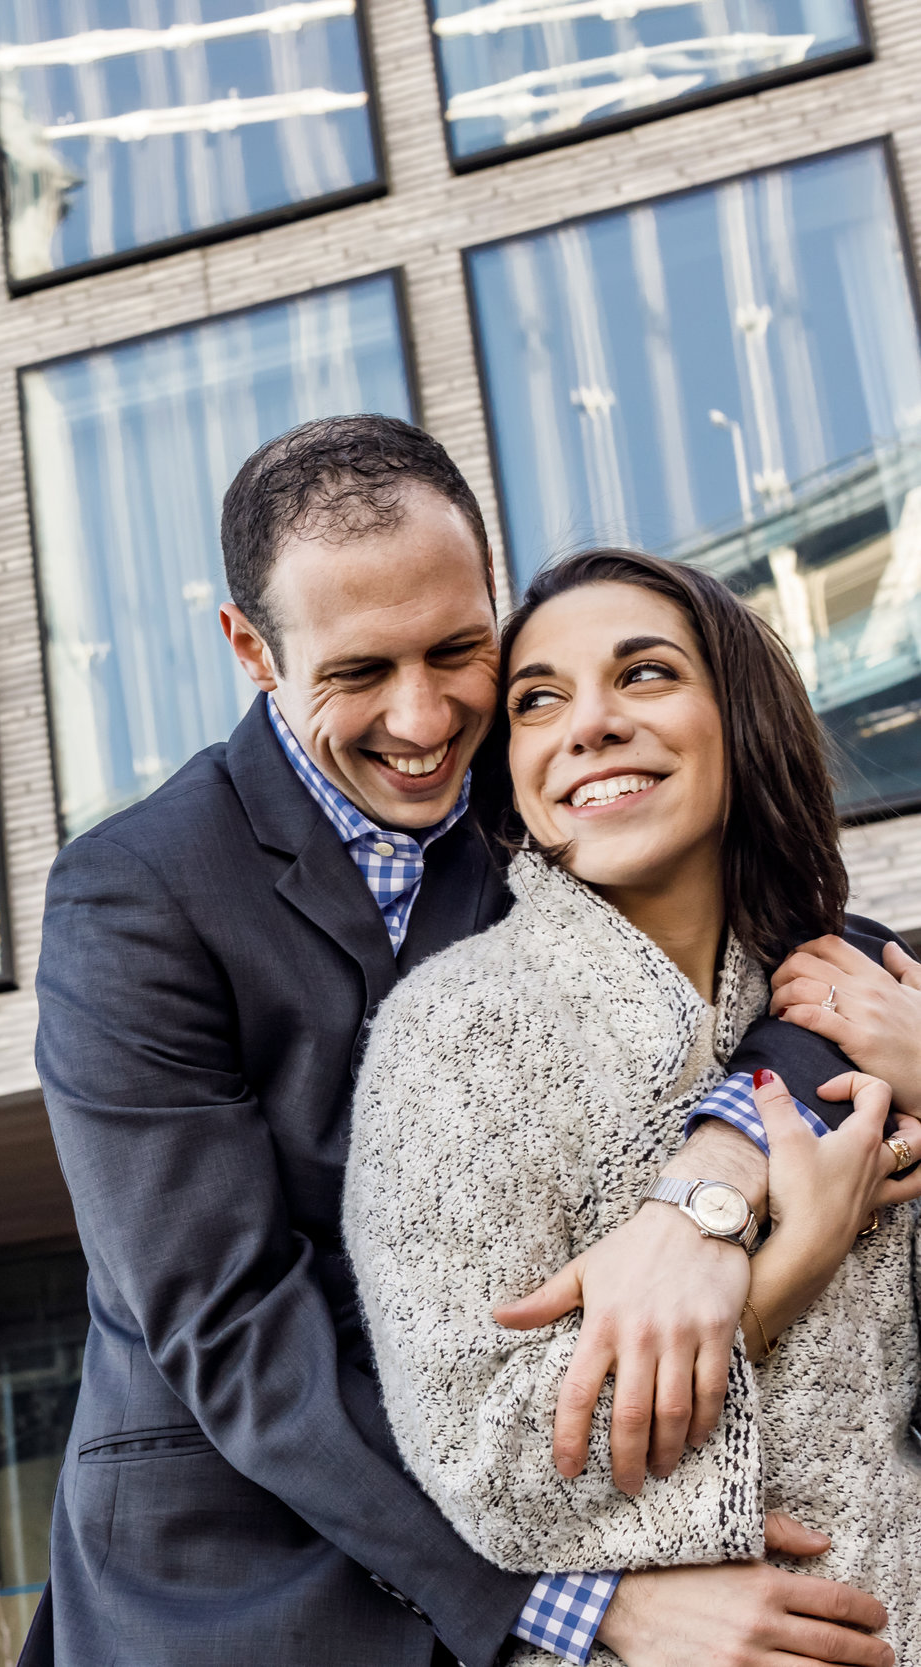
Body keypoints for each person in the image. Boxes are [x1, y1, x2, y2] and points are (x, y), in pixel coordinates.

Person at [30, 416, 920, 1667]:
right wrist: (582, 1599)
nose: (422, 714)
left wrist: (707, 1183)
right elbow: (230, 1321)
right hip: (250, 1581)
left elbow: (805, 962)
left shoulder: (547, 786)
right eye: (357, 671)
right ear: (249, 648)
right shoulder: (135, 894)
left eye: (459, 649)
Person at [345, 548, 921, 1667]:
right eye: (538, 698)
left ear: (737, 714)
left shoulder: (872, 994)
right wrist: (781, 1267)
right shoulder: (454, 1033)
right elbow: (489, 1461)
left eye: (645, 673)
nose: (589, 723)